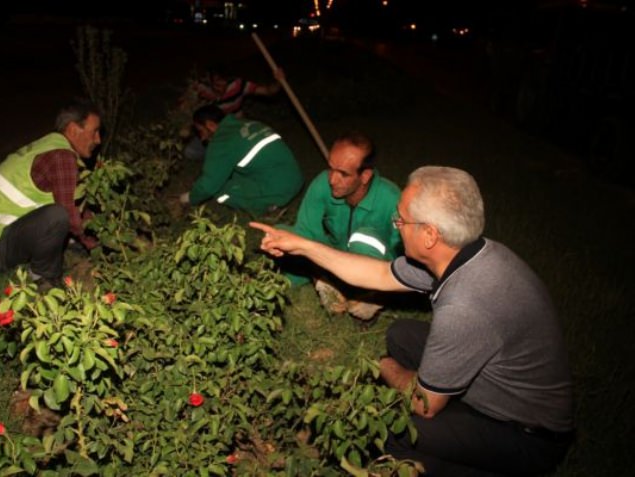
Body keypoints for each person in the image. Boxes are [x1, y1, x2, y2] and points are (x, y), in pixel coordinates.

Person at [251, 166, 574, 476]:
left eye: (400, 220)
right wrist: (303, 246)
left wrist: (381, 365)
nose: (396, 225)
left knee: (382, 425)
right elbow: (377, 273)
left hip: (527, 435)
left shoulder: (465, 308)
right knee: (402, 334)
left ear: (429, 235)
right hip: (499, 382)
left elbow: (424, 405)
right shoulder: (472, 253)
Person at [0, 98, 101, 289]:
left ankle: (66, 245)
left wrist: (96, 226)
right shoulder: (62, 157)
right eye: (94, 131)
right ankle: (44, 277)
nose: (98, 139)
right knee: (58, 215)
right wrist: (95, 244)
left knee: (58, 215)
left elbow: (75, 201)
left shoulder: (50, 145)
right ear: (73, 130)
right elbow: (70, 214)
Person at [283, 131, 402, 322]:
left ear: (365, 176)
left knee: (364, 238)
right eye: (331, 168)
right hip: (333, 256)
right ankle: (329, 285)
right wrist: (320, 277)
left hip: (375, 265)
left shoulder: (392, 199)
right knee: (282, 236)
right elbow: (305, 232)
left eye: (343, 174)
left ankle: (367, 297)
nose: (332, 179)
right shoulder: (322, 184)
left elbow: (403, 257)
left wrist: (382, 292)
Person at [179, 105, 303, 217]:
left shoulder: (222, 142)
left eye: (201, 131)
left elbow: (208, 186)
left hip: (280, 190)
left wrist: (188, 198)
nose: (202, 138)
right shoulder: (248, 123)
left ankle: (268, 207)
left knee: (220, 191)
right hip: (295, 179)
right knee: (233, 174)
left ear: (210, 125)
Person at [182, 65, 285, 162]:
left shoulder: (238, 85)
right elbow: (186, 108)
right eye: (217, 84)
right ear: (210, 81)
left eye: (224, 84)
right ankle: (221, 156)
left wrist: (278, 81)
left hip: (236, 129)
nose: (221, 89)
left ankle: (230, 156)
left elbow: (268, 91)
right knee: (190, 152)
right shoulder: (201, 90)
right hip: (211, 134)